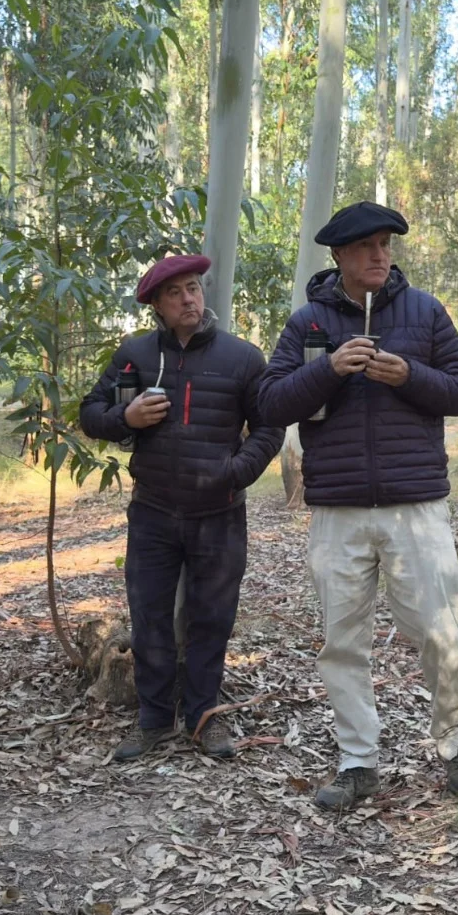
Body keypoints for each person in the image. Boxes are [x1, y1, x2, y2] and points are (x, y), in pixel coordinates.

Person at [258, 201, 458, 810]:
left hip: (417, 507)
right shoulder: (307, 324)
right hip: (337, 510)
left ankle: (455, 741)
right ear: (338, 257)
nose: (380, 256)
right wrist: (328, 369)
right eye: (366, 248)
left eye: (386, 245)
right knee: (342, 642)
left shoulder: (426, 312)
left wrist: (406, 374)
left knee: (440, 634)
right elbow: (272, 402)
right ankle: (358, 760)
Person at [78, 255, 282, 760]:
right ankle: (152, 719)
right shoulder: (136, 355)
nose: (189, 298)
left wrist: (236, 472)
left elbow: (270, 427)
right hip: (153, 512)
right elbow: (91, 414)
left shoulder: (242, 358)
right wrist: (126, 415)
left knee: (213, 617)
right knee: (149, 616)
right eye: (176, 294)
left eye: (193, 288)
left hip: (220, 514)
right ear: (158, 307)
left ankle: (204, 717)